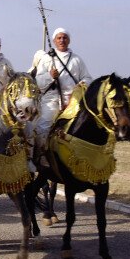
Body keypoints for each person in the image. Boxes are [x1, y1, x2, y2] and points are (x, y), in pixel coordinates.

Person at [31, 28, 92, 164]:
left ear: (68, 40)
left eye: (64, 38)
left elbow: (88, 78)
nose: (62, 40)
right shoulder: (47, 59)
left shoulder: (77, 59)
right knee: (43, 125)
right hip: (52, 98)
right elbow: (39, 83)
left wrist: (81, 84)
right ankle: (41, 156)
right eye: (59, 38)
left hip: (73, 99)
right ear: (54, 41)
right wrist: (50, 76)